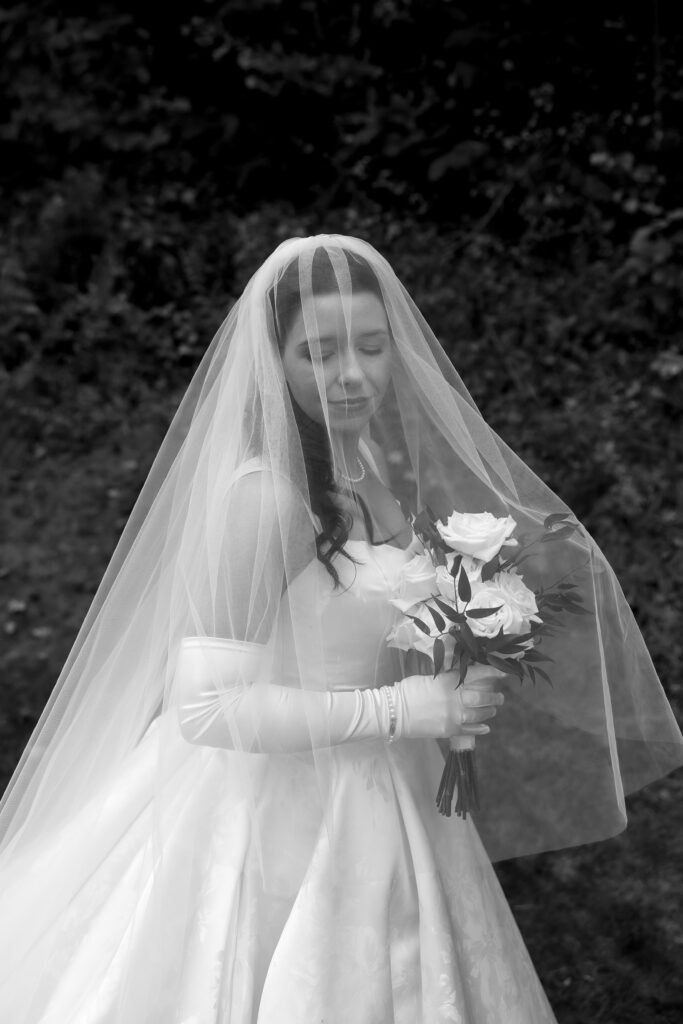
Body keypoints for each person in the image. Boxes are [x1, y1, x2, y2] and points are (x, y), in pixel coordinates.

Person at [0, 234, 681, 1023]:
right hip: (274, 813)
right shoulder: (266, 502)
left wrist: (455, 652)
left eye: (369, 345)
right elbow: (207, 709)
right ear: (274, 363)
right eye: (319, 353)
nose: (351, 375)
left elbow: (356, 621)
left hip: (386, 783)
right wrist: (402, 711)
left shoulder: (361, 468)